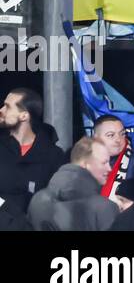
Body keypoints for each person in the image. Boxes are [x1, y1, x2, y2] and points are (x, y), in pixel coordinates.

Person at [27, 138, 119, 231]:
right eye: (104, 163)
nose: (109, 169)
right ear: (85, 164)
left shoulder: (37, 200)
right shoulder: (105, 208)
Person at [0, 88, 65, 217]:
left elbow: (59, 201)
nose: (1, 110)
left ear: (24, 115)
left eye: (7, 107)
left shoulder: (54, 156)